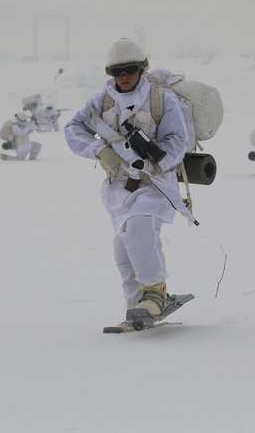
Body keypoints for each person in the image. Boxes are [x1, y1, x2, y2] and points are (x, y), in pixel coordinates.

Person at [64, 38, 190, 327]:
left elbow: (177, 141)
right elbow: (73, 129)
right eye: (116, 71)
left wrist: (152, 162)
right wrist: (100, 151)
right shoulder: (101, 101)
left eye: (129, 70)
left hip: (154, 182)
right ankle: (137, 308)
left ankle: (155, 294)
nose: (123, 77)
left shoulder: (161, 99)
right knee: (123, 246)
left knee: (140, 227)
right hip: (119, 187)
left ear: (141, 69)